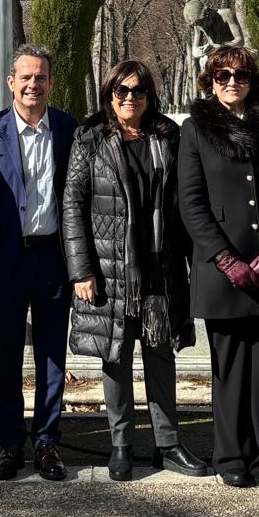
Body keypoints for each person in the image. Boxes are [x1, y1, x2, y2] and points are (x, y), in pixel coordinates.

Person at [62, 59, 209, 481]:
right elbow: (72, 203)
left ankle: (168, 444)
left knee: (161, 356)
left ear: (150, 96)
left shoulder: (168, 136)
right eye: (122, 91)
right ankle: (121, 444)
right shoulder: (89, 138)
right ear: (109, 94)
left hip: (159, 268)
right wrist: (81, 270)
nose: (130, 98)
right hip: (109, 269)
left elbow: (186, 201)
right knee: (116, 356)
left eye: (138, 91)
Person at [178, 44, 259, 488]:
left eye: (240, 75)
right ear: (209, 80)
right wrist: (224, 259)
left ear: (253, 79)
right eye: (222, 76)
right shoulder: (196, 128)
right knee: (229, 368)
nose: (232, 83)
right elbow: (192, 202)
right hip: (224, 269)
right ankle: (231, 455)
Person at [0, 44, 78, 482]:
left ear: (51, 82)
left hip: (54, 255)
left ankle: (48, 441)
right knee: (8, 353)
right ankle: (10, 441)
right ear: (11, 82)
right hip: (5, 260)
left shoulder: (69, 129)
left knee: (53, 352)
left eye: (41, 77)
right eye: (26, 77)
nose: (33, 84)